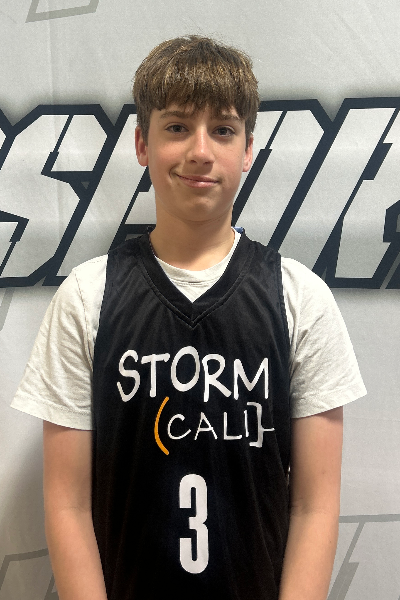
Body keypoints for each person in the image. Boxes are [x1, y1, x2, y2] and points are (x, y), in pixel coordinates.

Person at [12, 35, 366, 600]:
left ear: (248, 150)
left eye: (223, 130)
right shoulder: (86, 296)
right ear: (142, 143)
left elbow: (315, 505)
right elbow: (67, 504)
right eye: (177, 127)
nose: (200, 151)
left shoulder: (301, 299)